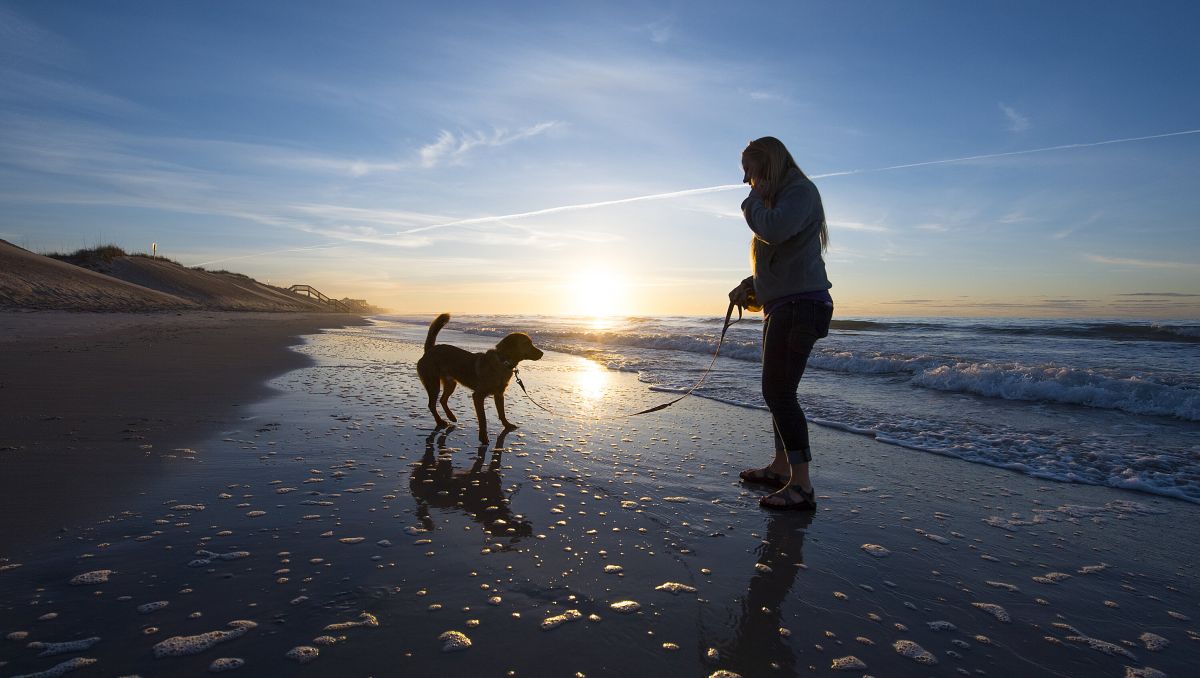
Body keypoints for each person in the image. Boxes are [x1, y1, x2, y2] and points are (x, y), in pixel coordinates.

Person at [729, 136, 833, 511]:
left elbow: (773, 230)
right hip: (784, 306)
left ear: (767, 167)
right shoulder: (783, 199)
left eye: (750, 172)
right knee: (776, 391)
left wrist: (752, 202)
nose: (746, 181)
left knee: (780, 393)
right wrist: (751, 285)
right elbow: (785, 260)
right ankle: (780, 466)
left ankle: (801, 485)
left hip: (801, 308)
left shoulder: (800, 193)